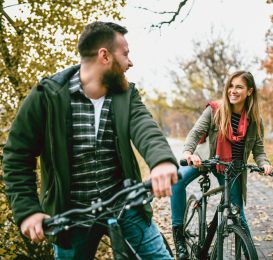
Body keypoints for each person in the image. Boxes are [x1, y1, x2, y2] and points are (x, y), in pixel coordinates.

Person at [3, 21, 178, 259]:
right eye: (125, 54)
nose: (130, 62)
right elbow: (17, 155)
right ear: (104, 56)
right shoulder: (47, 96)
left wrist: (161, 161)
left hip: (125, 205)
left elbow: (145, 127)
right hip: (71, 217)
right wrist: (28, 211)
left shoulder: (126, 94)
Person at [170, 70, 273, 259]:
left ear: (249, 91)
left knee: (238, 215)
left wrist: (264, 163)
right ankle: (177, 232)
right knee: (177, 180)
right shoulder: (215, 110)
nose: (233, 91)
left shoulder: (254, 120)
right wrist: (188, 153)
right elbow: (195, 133)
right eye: (231, 86)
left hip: (232, 168)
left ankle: (249, 255)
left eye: (239, 87)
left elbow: (259, 149)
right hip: (205, 160)